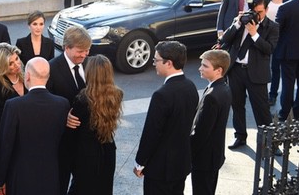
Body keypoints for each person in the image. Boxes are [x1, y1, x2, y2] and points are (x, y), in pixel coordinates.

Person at [0, 57, 69, 195]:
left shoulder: (14, 106)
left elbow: (5, 145)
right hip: (51, 175)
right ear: (48, 76)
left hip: (21, 178)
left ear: (27, 75)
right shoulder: (62, 104)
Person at [133, 41, 199, 195]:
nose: (154, 63)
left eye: (156, 60)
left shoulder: (161, 95)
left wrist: (140, 163)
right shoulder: (191, 86)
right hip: (180, 164)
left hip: (160, 169)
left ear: (168, 63)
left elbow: (152, 132)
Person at [220, 0, 279, 150]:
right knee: (237, 105)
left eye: (259, 12)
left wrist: (254, 34)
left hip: (256, 73)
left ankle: (270, 141)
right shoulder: (241, 21)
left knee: (262, 109)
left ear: (266, 9)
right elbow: (224, 40)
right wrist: (237, 24)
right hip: (236, 70)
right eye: (253, 11)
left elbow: (269, 49)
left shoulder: (272, 27)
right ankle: (240, 137)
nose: (256, 15)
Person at [46, 25, 91, 195]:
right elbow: (45, 104)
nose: (84, 54)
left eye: (87, 50)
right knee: (60, 184)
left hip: (87, 139)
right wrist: (63, 117)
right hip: (63, 142)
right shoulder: (51, 68)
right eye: (80, 51)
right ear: (66, 47)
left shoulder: (90, 63)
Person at [70, 55, 123, 195]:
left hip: (86, 154)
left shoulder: (82, 99)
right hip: (108, 150)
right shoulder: (117, 94)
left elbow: (73, 130)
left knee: (80, 189)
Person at [0, 43, 27, 186]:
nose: (17, 64)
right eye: (10, 63)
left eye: (17, 59)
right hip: (8, 143)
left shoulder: (27, 77)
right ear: (0, 66)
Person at [191, 50, 232, 195]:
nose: (200, 68)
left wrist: (188, 152)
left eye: (205, 66)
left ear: (218, 70)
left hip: (204, 159)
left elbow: (202, 131)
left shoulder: (212, 96)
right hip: (213, 156)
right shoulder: (223, 88)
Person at [276, 0, 299, 120]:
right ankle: (297, 112)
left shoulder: (285, 8)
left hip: (288, 53)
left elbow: (277, 30)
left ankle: (284, 114)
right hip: (289, 52)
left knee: (287, 84)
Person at [267, 0, 290, 106]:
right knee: (274, 68)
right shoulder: (267, 1)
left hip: (283, 40)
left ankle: (283, 97)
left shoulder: (288, 2)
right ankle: (272, 95)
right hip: (269, 39)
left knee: (284, 69)